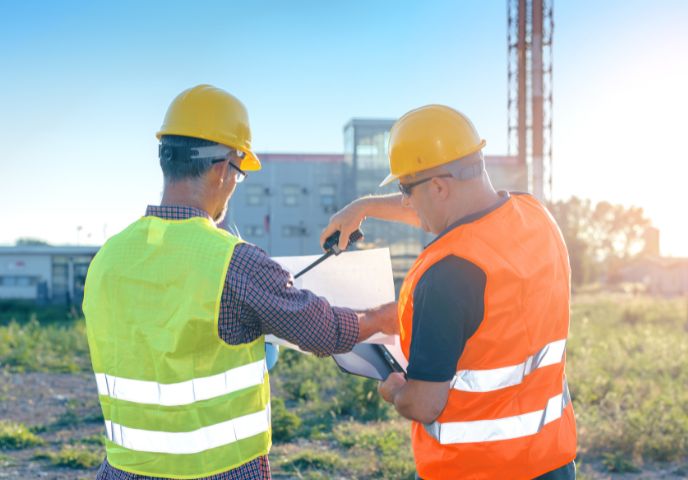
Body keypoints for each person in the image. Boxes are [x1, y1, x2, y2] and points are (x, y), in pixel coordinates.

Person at [82, 84, 396, 480]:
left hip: (123, 469)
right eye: (239, 173)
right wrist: (383, 318)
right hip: (218, 471)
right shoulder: (233, 261)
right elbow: (322, 329)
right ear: (222, 168)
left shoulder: (107, 259)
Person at [320, 104, 577, 479]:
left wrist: (394, 390)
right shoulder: (534, 215)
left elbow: (424, 404)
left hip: (475, 470)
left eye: (406, 189)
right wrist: (365, 207)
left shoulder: (447, 273)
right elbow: (447, 213)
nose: (405, 202)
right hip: (551, 462)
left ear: (439, 187)